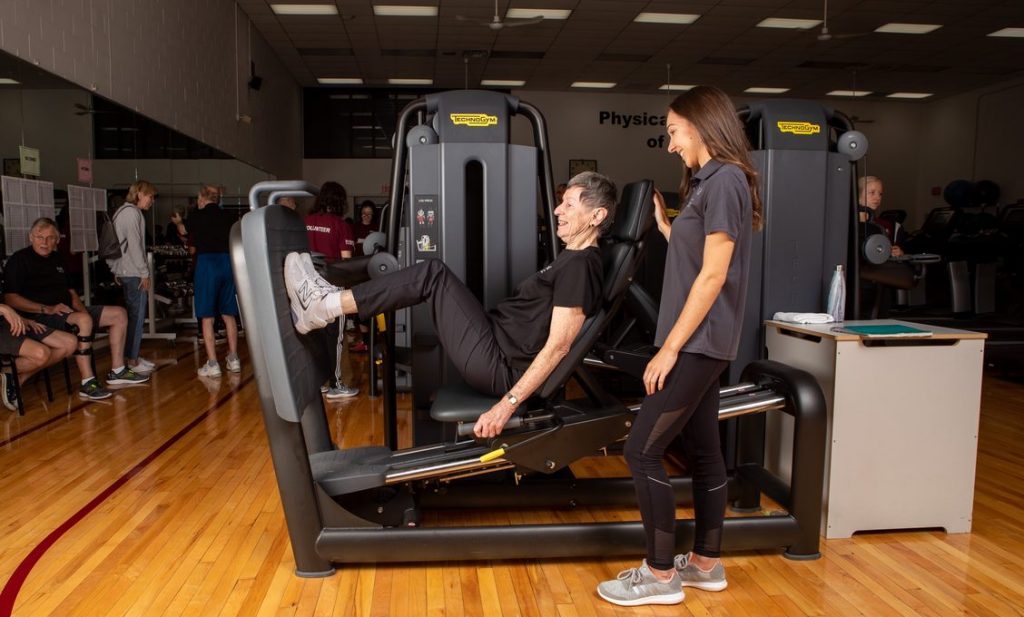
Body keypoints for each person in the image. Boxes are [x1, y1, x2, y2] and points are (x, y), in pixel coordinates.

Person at [284, 171, 617, 433]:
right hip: (494, 341)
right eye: (561, 202)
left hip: (500, 365)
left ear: (597, 215)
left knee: (433, 274)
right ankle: (326, 298)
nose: (557, 210)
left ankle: (325, 304)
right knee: (433, 274)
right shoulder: (568, 258)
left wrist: (507, 404)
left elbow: (559, 347)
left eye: (570, 204)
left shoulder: (581, 264)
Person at [596, 86, 761, 607]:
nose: (669, 145)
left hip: (696, 343)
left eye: (672, 132)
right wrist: (669, 228)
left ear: (701, 124)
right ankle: (707, 564)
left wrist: (668, 347)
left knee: (641, 450)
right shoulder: (710, 184)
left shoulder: (727, 181)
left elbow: (714, 276)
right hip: (706, 342)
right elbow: (700, 258)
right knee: (706, 453)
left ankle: (661, 573)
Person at [3, 218, 149, 400]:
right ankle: (88, 382)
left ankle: (117, 370)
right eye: (40, 237)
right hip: (39, 315)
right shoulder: (19, 260)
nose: (44, 242)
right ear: (31, 237)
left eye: (50, 238)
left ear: (57, 240)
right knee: (83, 321)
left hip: (65, 312)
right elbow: (11, 298)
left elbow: (71, 293)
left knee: (118, 314)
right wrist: (46, 309)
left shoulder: (57, 259)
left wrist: (84, 312)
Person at [305, 182, 358, 399]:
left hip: (307, 287)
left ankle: (320, 382)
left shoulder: (305, 222)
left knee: (314, 336)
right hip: (333, 288)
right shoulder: (341, 225)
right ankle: (336, 384)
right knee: (334, 337)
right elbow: (346, 261)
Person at [188, 185, 241, 377]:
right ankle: (233, 358)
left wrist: (179, 222)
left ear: (202, 198)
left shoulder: (197, 215)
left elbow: (186, 231)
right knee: (229, 314)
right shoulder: (228, 216)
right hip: (227, 262)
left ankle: (212, 363)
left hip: (207, 263)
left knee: (207, 316)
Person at [109, 180, 157, 375]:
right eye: (150, 196)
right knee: (137, 316)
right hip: (132, 272)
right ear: (139, 194)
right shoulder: (132, 214)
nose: (151, 201)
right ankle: (132, 359)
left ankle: (132, 355)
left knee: (133, 315)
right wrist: (144, 272)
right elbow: (135, 246)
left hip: (126, 270)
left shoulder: (123, 212)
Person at [0, 302, 76, 411]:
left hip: (8, 322)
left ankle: (16, 379)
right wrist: (4, 308)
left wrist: (22, 318)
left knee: (70, 343)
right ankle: (8, 373)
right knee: (41, 354)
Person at [350, 200, 379, 352]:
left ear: (373, 214)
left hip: (374, 272)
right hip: (357, 273)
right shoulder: (354, 228)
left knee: (375, 308)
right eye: (364, 213)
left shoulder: (378, 228)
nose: (366, 216)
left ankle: (375, 342)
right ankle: (366, 343)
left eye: (369, 214)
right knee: (359, 309)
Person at [858, 175, 903, 257]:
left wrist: (898, 253)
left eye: (880, 194)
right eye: (872, 192)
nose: (877, 197)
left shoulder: (885, 226)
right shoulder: (847, 224)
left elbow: (889, 250)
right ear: (858, 196)